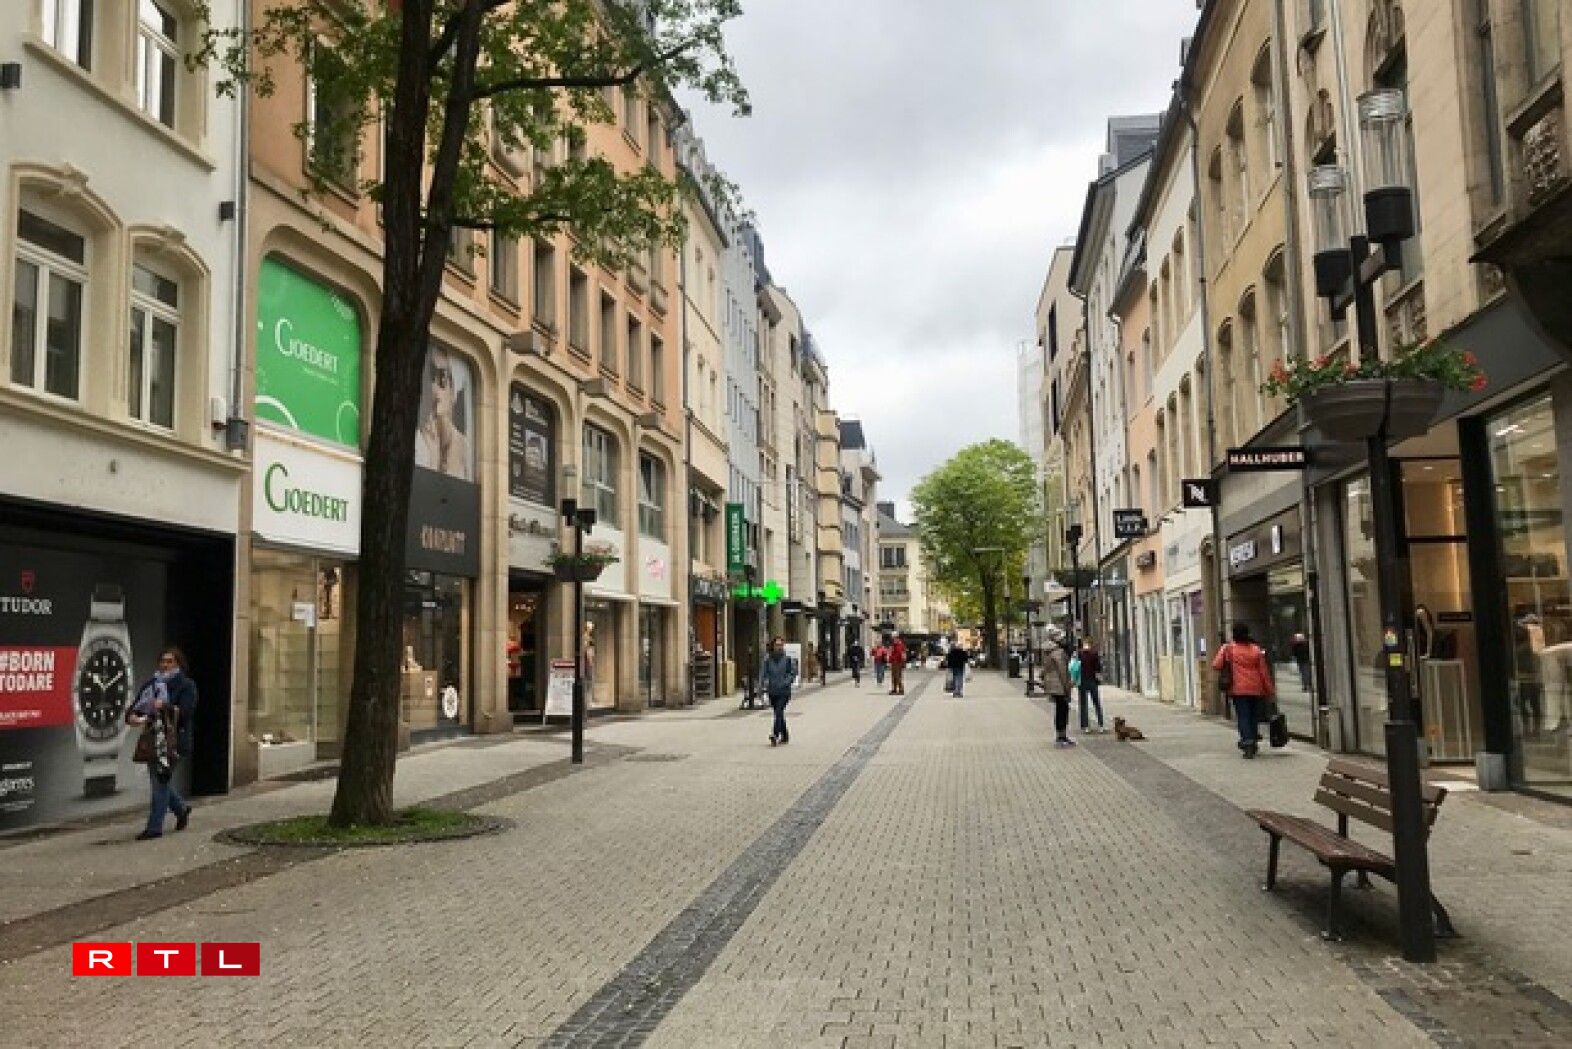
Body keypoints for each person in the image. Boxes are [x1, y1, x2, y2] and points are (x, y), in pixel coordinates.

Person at [126, 647, 198, 840]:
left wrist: (164, 706)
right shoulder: (152, 684)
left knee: (160, 782)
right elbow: (137, 706)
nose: (165, 665)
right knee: (160, 782)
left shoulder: (186, 685)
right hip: (153, 741)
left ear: (178, 664)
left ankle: (154, 827)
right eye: (162, 661)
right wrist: (132, 716)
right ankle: (181, 809)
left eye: (170, 661)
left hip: (174, 742)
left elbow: (186, 712)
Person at [1215, 622, 1276, 758]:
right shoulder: (1255, 649)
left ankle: (1247, 742)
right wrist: (1269, 689)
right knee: (1253, 716)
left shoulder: (1229, 649)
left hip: (1238, 689)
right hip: (1256, 688)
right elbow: (1263, 671)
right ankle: (1253, 739)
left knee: (1243, 716)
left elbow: (1216, 664)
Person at [416, 345, 473, 481]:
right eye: (432, 377)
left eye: (443, 378)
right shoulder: (419, 440)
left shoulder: (465, 448)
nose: (435, 388)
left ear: (453, 390)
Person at [760, 636, 797, 745]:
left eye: (781, 645)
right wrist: (763, 685)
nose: (779, 647)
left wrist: (786, 682)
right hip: (772, 691)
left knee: (779, 712)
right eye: (777, 645)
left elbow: (793, 673)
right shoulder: (767, 660)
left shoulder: (787, 659)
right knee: (778, 714)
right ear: (773, 646)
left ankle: (775, 734)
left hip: (784, 692)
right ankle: (785, 735)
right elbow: (763, 674)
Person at [1043, 628, 1075, 747]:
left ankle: (1061, 735)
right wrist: (1067, 687)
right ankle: (1061, 736)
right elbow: (1063, 671)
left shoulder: (1049, 651)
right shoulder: (1058, 652)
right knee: (1063, 710)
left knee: (1060, 709)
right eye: (1062, 638)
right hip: (1059, 685)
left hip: (1053, 685)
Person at [1076, 638, 1105, 733]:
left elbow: (1074, 667)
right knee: (1096, 703)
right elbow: (1098, 668)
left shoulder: (1079, 654)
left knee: (1084, 704)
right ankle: (1100, 724)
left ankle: (1085, 726)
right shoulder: (1094, 654)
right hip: (1092, 680)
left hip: (1082, 681)